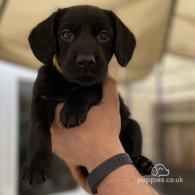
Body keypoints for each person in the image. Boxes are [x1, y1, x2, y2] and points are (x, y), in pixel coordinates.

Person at [50, 76, 158, 195]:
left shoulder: (98, 83)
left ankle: (135, 159)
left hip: (117, 149)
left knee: (133, 126)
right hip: (93, 168)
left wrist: (103, 156)